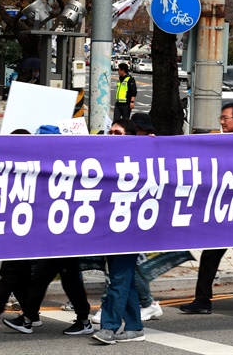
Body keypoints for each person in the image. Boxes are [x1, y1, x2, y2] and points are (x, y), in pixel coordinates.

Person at [180, 103, 233, 315]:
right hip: (221, 212)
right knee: (210, 255)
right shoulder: (218, 142)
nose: (221, 121)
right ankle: (202, 300)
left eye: (225, 118)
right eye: (221, 117)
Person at [93, 119, 145, 344]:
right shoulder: (107, 160)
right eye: (111, 132)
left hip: (131, 231)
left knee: (118, 279)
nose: (113, 136)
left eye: (119, 133)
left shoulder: (142, 161)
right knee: (125, 280)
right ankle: (134, 327)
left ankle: (109, 327)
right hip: (111, 230)